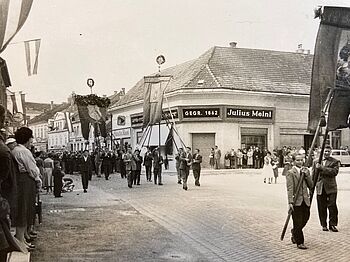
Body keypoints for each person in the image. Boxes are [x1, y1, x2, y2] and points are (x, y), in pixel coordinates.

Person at [11, 127, 42, 250]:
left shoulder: (16, 150)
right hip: (26, 181)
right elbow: (32, 169)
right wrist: (38, 180)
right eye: (31, 137)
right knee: (25, 208)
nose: (32, 140)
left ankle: (22, 238)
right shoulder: (23, 151)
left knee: (24, 207)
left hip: (21, 180)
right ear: (27, 139)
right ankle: (20, 238)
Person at [286, 154, 313, 250]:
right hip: (296, 200)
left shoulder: (306, 171)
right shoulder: (290, 172)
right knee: (297, 222)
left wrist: (307, 175)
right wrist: (290, 202)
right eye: (297, 160)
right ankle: (300, 242)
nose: (300, 162)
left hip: (305, 200)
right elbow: (290, 188)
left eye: (301, 160)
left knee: (305, 219)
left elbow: (311, 186)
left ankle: (295, 232)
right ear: (293, 161)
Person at [312, 145, 340, 232]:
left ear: (330, 152)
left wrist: (322, 168)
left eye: (328, 151)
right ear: (321, 151)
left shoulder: (335, 161)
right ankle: (323, 224)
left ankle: (332, 224)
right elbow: (313, 174)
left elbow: (334, 172)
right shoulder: (316, 161)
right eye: (324, 151)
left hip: (331, 188)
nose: (326, 153)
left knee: (332, 206)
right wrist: (312, 186)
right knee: (321, 207)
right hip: (320, 187)